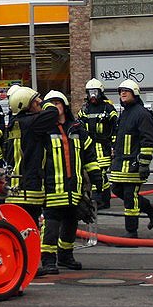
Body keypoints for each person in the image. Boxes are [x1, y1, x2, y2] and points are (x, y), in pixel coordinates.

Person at [40, 90, 102, 274]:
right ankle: (48, 260)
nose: (54, 107)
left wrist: (98, 181)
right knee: (50, 227)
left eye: (57, 103)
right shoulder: (43, 131)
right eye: (50, 105)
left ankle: (65, 256)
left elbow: (90, 156)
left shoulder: (76, 128)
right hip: (52, 189)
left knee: (70, 224)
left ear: (65, 106)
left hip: (74, 190)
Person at [110, 79, 153, 239]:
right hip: (121, 165)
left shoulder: (142, 114)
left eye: (126, 91)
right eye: (120, 91)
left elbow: (149, 139)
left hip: (133, 165)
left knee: (130, 199)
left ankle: (131, 232)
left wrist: (143, 164)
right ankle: (150, 209)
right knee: (118, 190)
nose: (122, 93)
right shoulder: (125, 113)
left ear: (135, 93)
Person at [8, 86, 57, 228]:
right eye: (36, 103)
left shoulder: (14, 123)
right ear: (26, 107)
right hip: (29, 185)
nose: (39, 103)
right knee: (30, 227)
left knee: (17, 225)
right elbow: (53, 113)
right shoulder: (32, 123)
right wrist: (46, 102)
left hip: (15, 185)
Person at [77, 78, 119, 212]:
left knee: (99, 172)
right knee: (99, 173)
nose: (92, 95)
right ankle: (105, 200)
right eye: (90, 92)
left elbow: (115, 127)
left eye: (95, 92)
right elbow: (79, 126)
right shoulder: (85, 109)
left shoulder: (108, 108)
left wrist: (114, 144)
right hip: (90, 146)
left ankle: (97, 199)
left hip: (103, 146)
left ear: (100, 92)